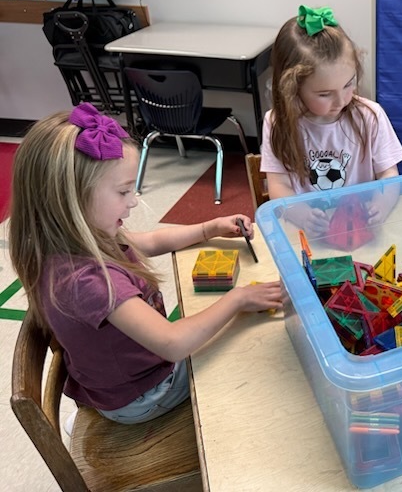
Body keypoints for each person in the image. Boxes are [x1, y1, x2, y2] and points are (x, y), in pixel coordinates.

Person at [8, 104, 283, 425]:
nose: (134, 201)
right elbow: (174, 344)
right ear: (70, 199)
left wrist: (209, 228)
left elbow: (147, 242)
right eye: (124, 191)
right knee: (249, 358)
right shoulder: (89, 282)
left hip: (123, 379)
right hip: (145, 395)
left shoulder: (76, 238)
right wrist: (238, 299)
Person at [261, 5, 402, 235]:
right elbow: (278, 185)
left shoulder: (371, 116)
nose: (342, 100)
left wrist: (383, 204)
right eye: (324, 94)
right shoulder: (277, 123)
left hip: (363, 231)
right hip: (310, 236)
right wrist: (301, 214)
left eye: (349, 84)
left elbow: (389, 175)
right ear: (292, 90)